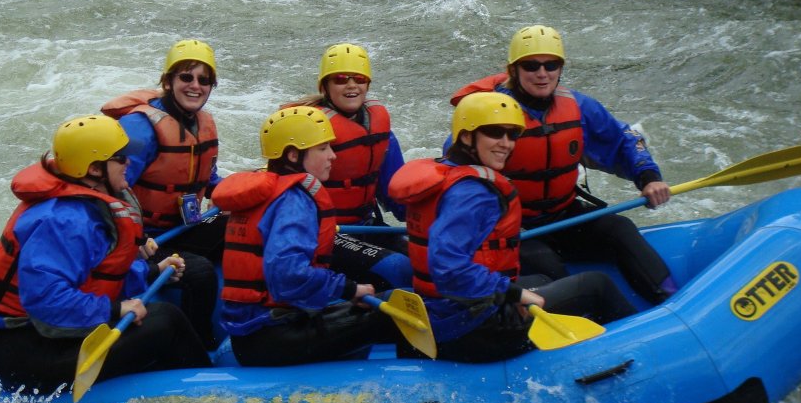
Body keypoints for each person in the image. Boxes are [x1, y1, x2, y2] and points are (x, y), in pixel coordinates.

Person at [389, 92, 636, 363]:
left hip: (443, 314)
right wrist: (513, 293)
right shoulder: (474, 193)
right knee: (595, 285)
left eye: (512, 134)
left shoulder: (444, 174)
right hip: (476, 327)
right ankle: (637, 356)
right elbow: (447, 266)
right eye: (495, 133)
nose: (506, 144)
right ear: (467, 136)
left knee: (542, 281)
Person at [0, 114, 211, 392]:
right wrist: (115, 309)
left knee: (159, 312)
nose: (129, 163)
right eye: (121, 157)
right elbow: (45, 299)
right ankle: (209, 393)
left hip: (46, 337)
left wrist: (151, 271)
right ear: (94, 169)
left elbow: (96, 275)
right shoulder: (65, 220)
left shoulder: (84, 207)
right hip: (30, 354)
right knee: (166, 320)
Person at [449, 25, 677, 305]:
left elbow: (623, 139)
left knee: (620, 228)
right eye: (531, 65)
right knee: (552, 271)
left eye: (551, 65)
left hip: (563, 214)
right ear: (513, 70)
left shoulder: (578, 106)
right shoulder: (489, 113)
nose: (542, 73)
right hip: (513, 227)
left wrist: (648, 177)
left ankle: (671, 301)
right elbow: (454, 168)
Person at [211, 106, 405, 366]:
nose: (333, 156)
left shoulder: (269, 190)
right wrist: (349, 288)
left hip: (260, 327)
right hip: (270, 335)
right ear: (293, 154)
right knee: (392, 312)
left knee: (374, 305)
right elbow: (288, 274)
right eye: (323, 149)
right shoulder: (293, 201)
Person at [101, 39, 223, 347]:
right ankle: (199, 346)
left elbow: (207, 178)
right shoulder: (141, 129)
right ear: (168, 81)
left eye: (203, 79)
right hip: (147, 239)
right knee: (200, 272)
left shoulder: (202, 123)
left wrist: (240, 195)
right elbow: (111, 191)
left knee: (247, 228)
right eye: (186, 77)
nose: (195, 86)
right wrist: (135, 237)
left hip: (181, 226)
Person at [286, 43, 411, 290]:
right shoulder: (303, 132)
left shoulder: (380, 131)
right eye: (341, 79)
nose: (351, 85)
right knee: (398, 267)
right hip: (325, 232)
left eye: (359, 79)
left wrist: (427, 221)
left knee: (423, 259)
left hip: (364, 224)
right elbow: (284, 186)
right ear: (325, 86)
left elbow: (394, 194)